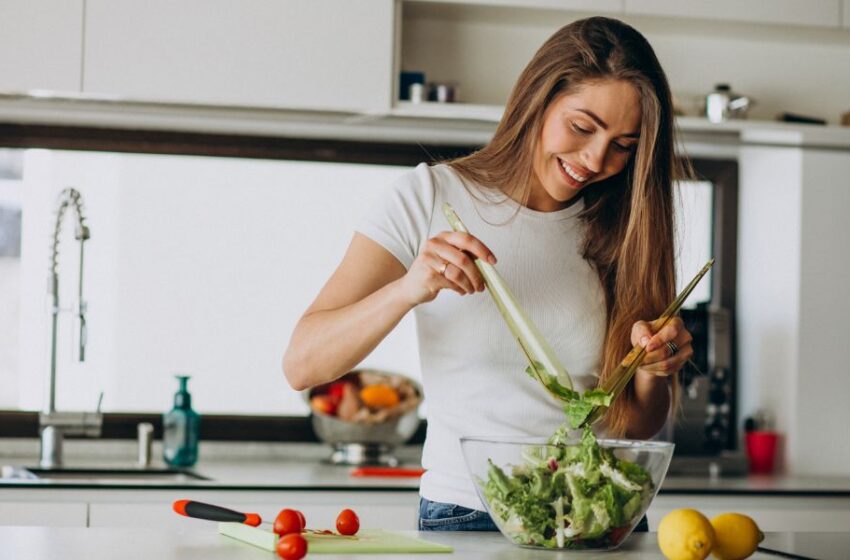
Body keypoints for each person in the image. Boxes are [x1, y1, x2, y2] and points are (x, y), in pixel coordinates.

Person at [283, 16, 694, 532]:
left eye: (623, 145)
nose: (595, 159)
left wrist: (656, 370)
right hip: (470, 511)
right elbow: (303, 364)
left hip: (603, 513)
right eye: (582, 127)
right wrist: (409, 288)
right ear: (537, 102)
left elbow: (634, 422)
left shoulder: (627, 227)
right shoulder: (429, 198)